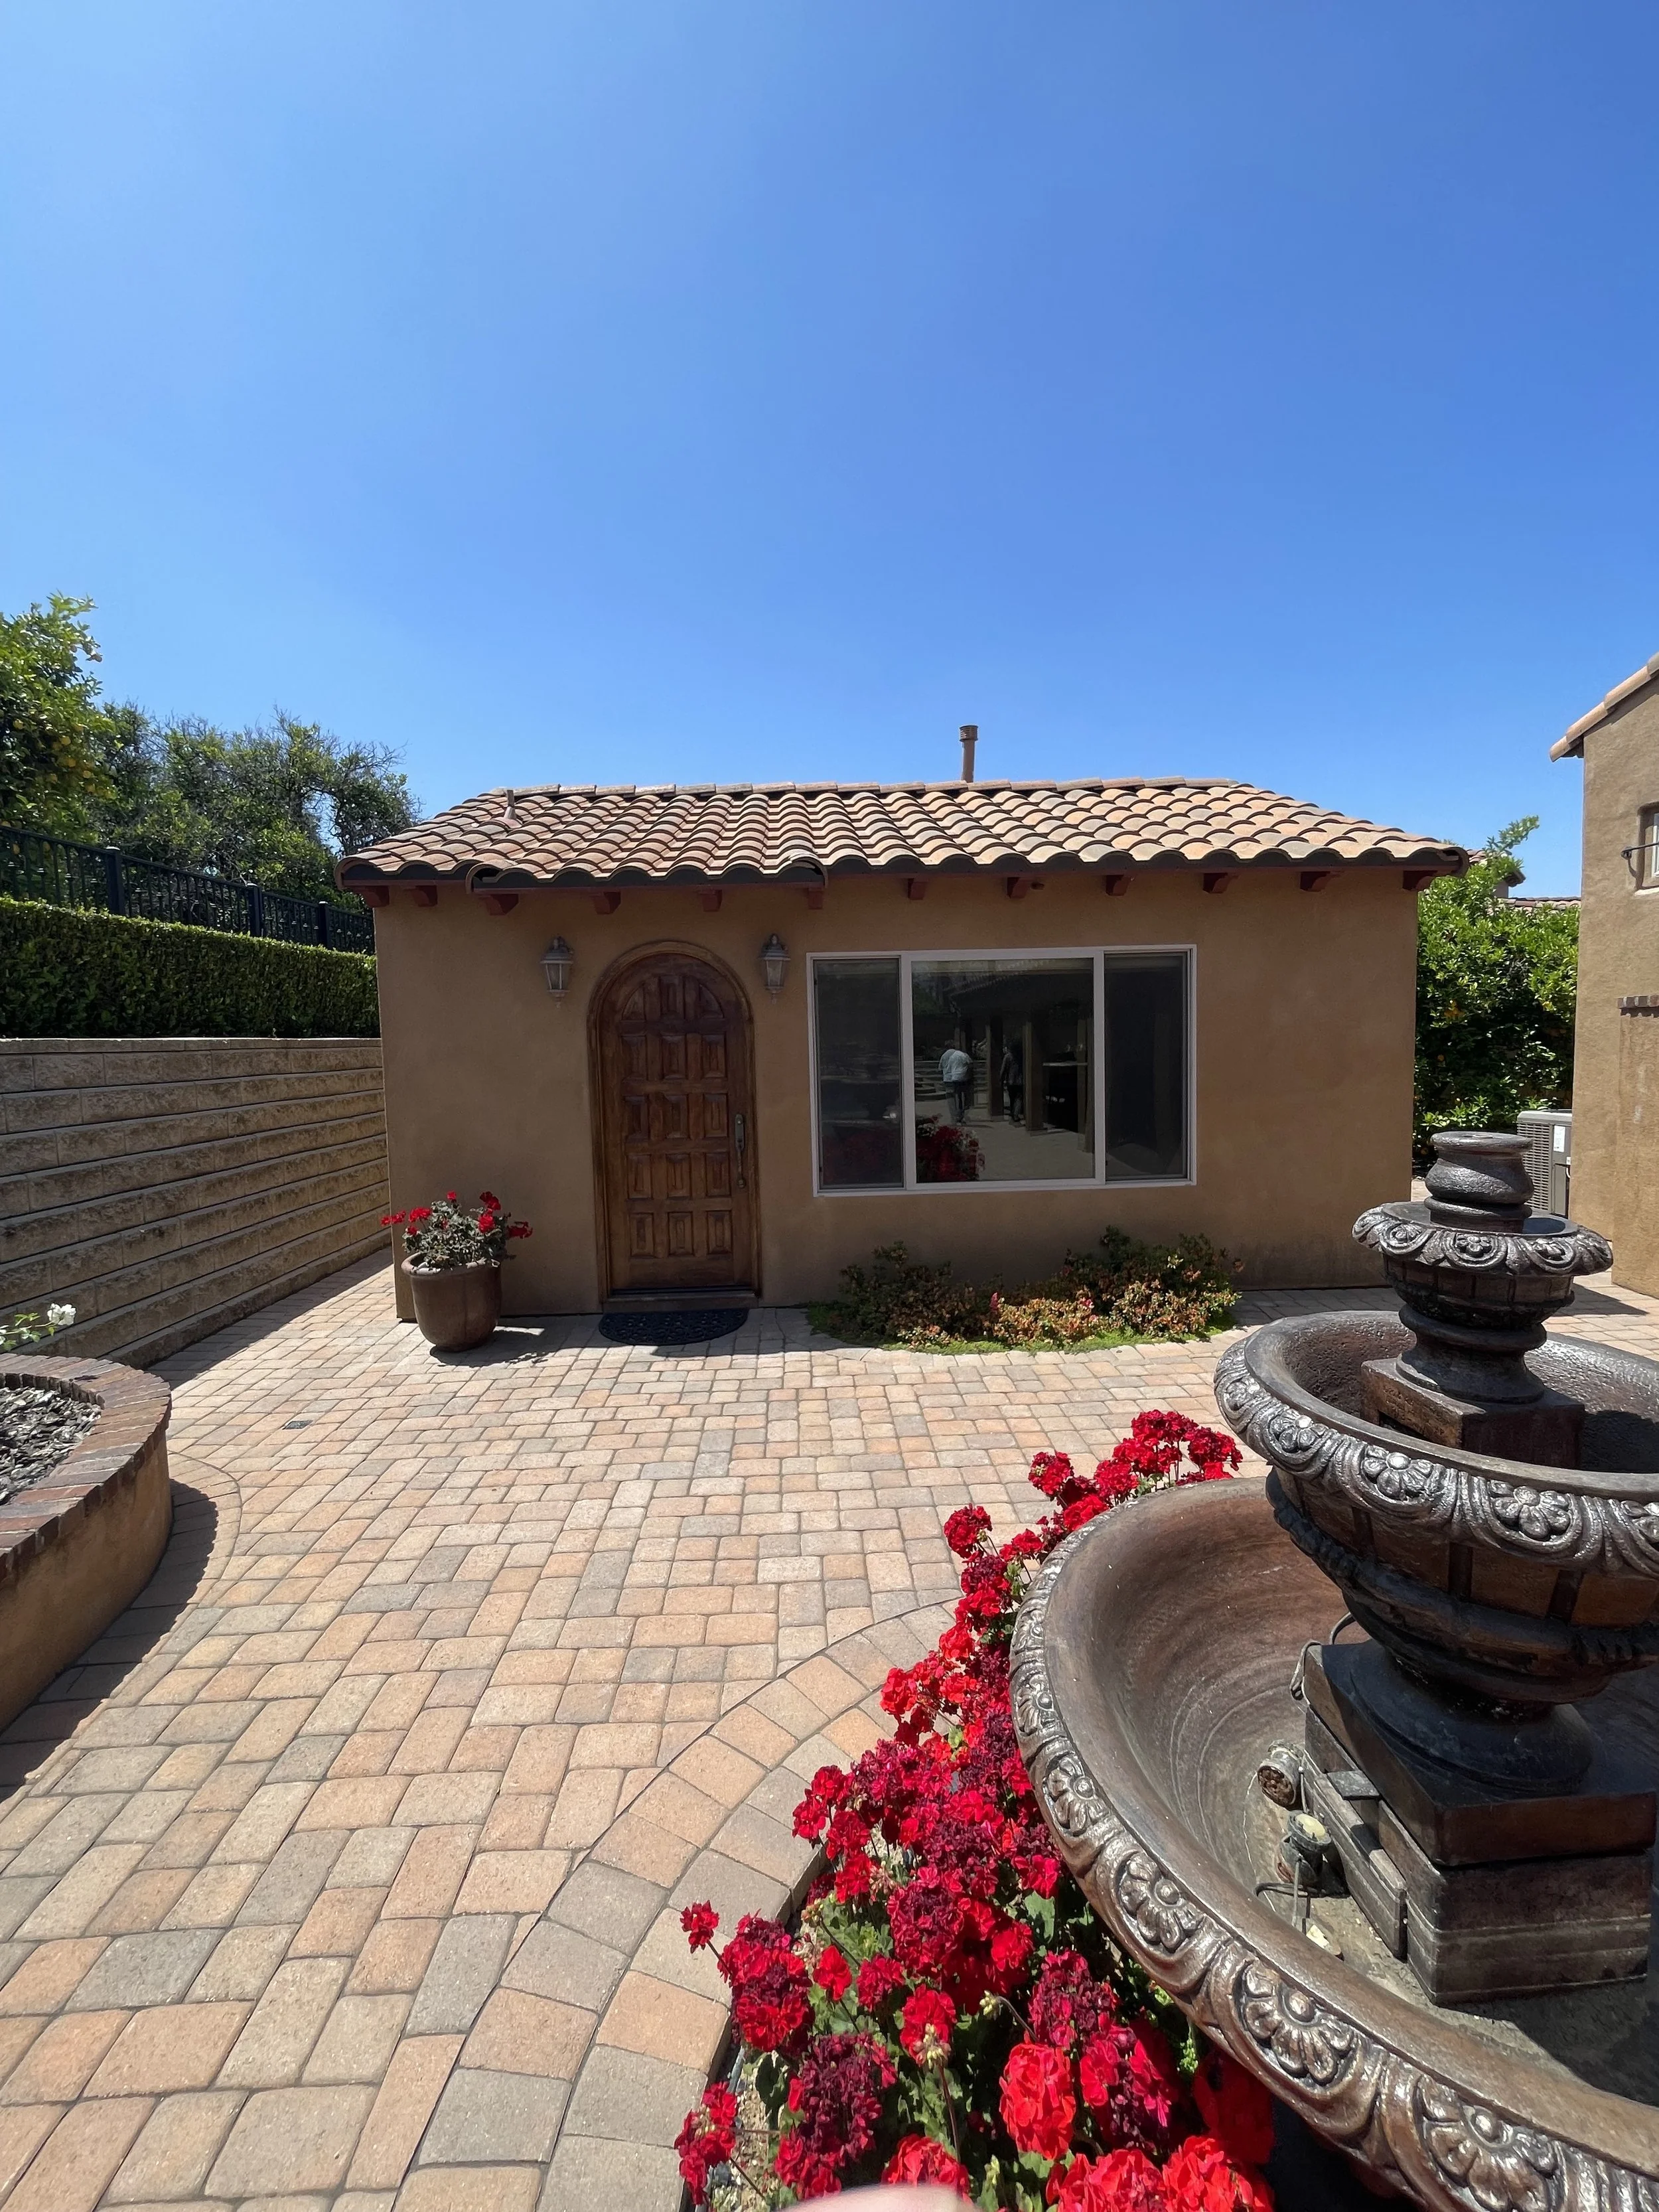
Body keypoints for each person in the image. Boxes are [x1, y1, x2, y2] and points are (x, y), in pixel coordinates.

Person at [938, 1042, 973, 1125]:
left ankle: (953, 1117)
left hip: (947, 1079)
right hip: (959, 1078)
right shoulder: (959, 1054)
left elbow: (940, 1068)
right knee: (959, 1097)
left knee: (951, 1098)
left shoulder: (944, 1056)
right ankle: (960, 1115)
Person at [999, 1040, 1023, 1122]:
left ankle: (1013, 1113)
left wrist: (1001, 1079)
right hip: (1020, 1080)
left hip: (1011, 1081)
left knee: (1012, 1098)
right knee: (1019, 1098)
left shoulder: (1008, 1057)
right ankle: (1016, 1114)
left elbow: (1003, 1069)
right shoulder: (1021, 1056)